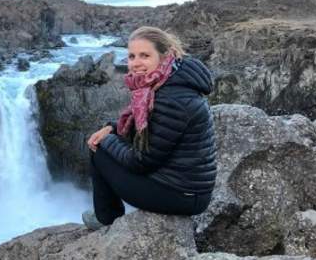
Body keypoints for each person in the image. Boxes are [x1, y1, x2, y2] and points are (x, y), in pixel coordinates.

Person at [82, 26, 216, 229]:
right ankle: (107, 214)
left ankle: (106, 219)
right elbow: (148, 129)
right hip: (184, 187)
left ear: (165, 56)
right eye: (131, 56)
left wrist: (107, 141)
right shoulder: (169, 83)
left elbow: (140, 161)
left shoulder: (171, 100)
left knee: (98, 150)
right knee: (105, 142)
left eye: (144, 55)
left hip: (182, 195)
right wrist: (112, 128)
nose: (135, 63)